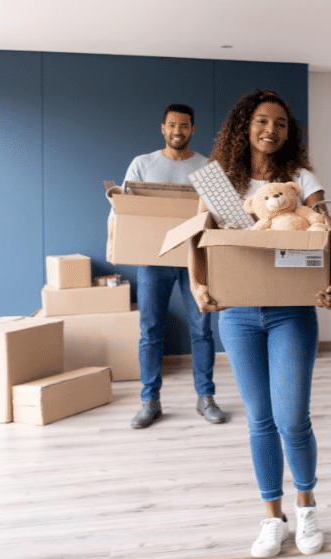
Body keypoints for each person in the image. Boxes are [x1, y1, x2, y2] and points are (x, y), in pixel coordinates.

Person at [189, 90, 331, 558]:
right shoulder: (222, 183)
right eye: (261, 121)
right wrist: (198, 286)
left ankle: (307, 507)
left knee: (292, 418)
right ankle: (272, 517)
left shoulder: (301, 179)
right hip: (237, 315)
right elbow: (197, 238)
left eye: (279, 123)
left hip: (292, 312)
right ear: (245, 126)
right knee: (260, 420)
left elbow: (329, 234)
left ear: (287, 131)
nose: (270, 130)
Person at [112, 103, 227, 429]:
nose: (179, 131)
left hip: (196, 259)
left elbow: (222, 216)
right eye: (173, 125)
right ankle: (150, 402)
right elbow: (122, 209)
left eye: (185, 125)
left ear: (192, 129)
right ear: (163, 128)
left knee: (202, 330)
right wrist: (114, 241)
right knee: (149, 332)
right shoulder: (142, 164)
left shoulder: (207, 168)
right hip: (154, 259)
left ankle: (206, 399)